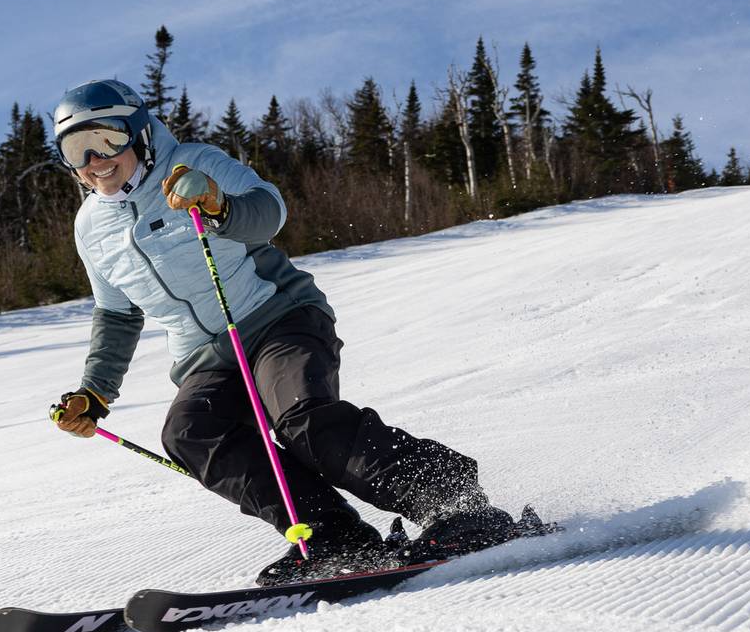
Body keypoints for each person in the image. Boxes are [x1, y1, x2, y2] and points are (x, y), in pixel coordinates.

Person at [48, 78, 515, 585]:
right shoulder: (90, 227)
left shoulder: (194, 162)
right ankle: (334, 537)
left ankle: (452, 502)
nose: (96, 159)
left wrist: (217, 204)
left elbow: (269, 210)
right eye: (77, 149)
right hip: (204, 357)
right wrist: (94, 392)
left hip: (278, 317)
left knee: (302, 418)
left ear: (138, 133)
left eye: (108, 140)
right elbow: (116, 314)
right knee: (191, 434)